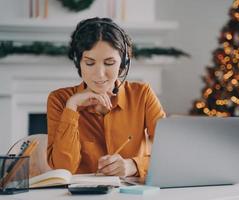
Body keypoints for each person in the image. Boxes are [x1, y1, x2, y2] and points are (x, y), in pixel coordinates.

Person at [46, 17, 165, 178]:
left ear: (123, 63)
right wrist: (72, 107)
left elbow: (171, 153)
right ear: (77, 62)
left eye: (109, 63)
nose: (99, 74)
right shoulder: (60, 99)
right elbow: (63, 168)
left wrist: (134, 166)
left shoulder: (142, 94)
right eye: (89, 63)